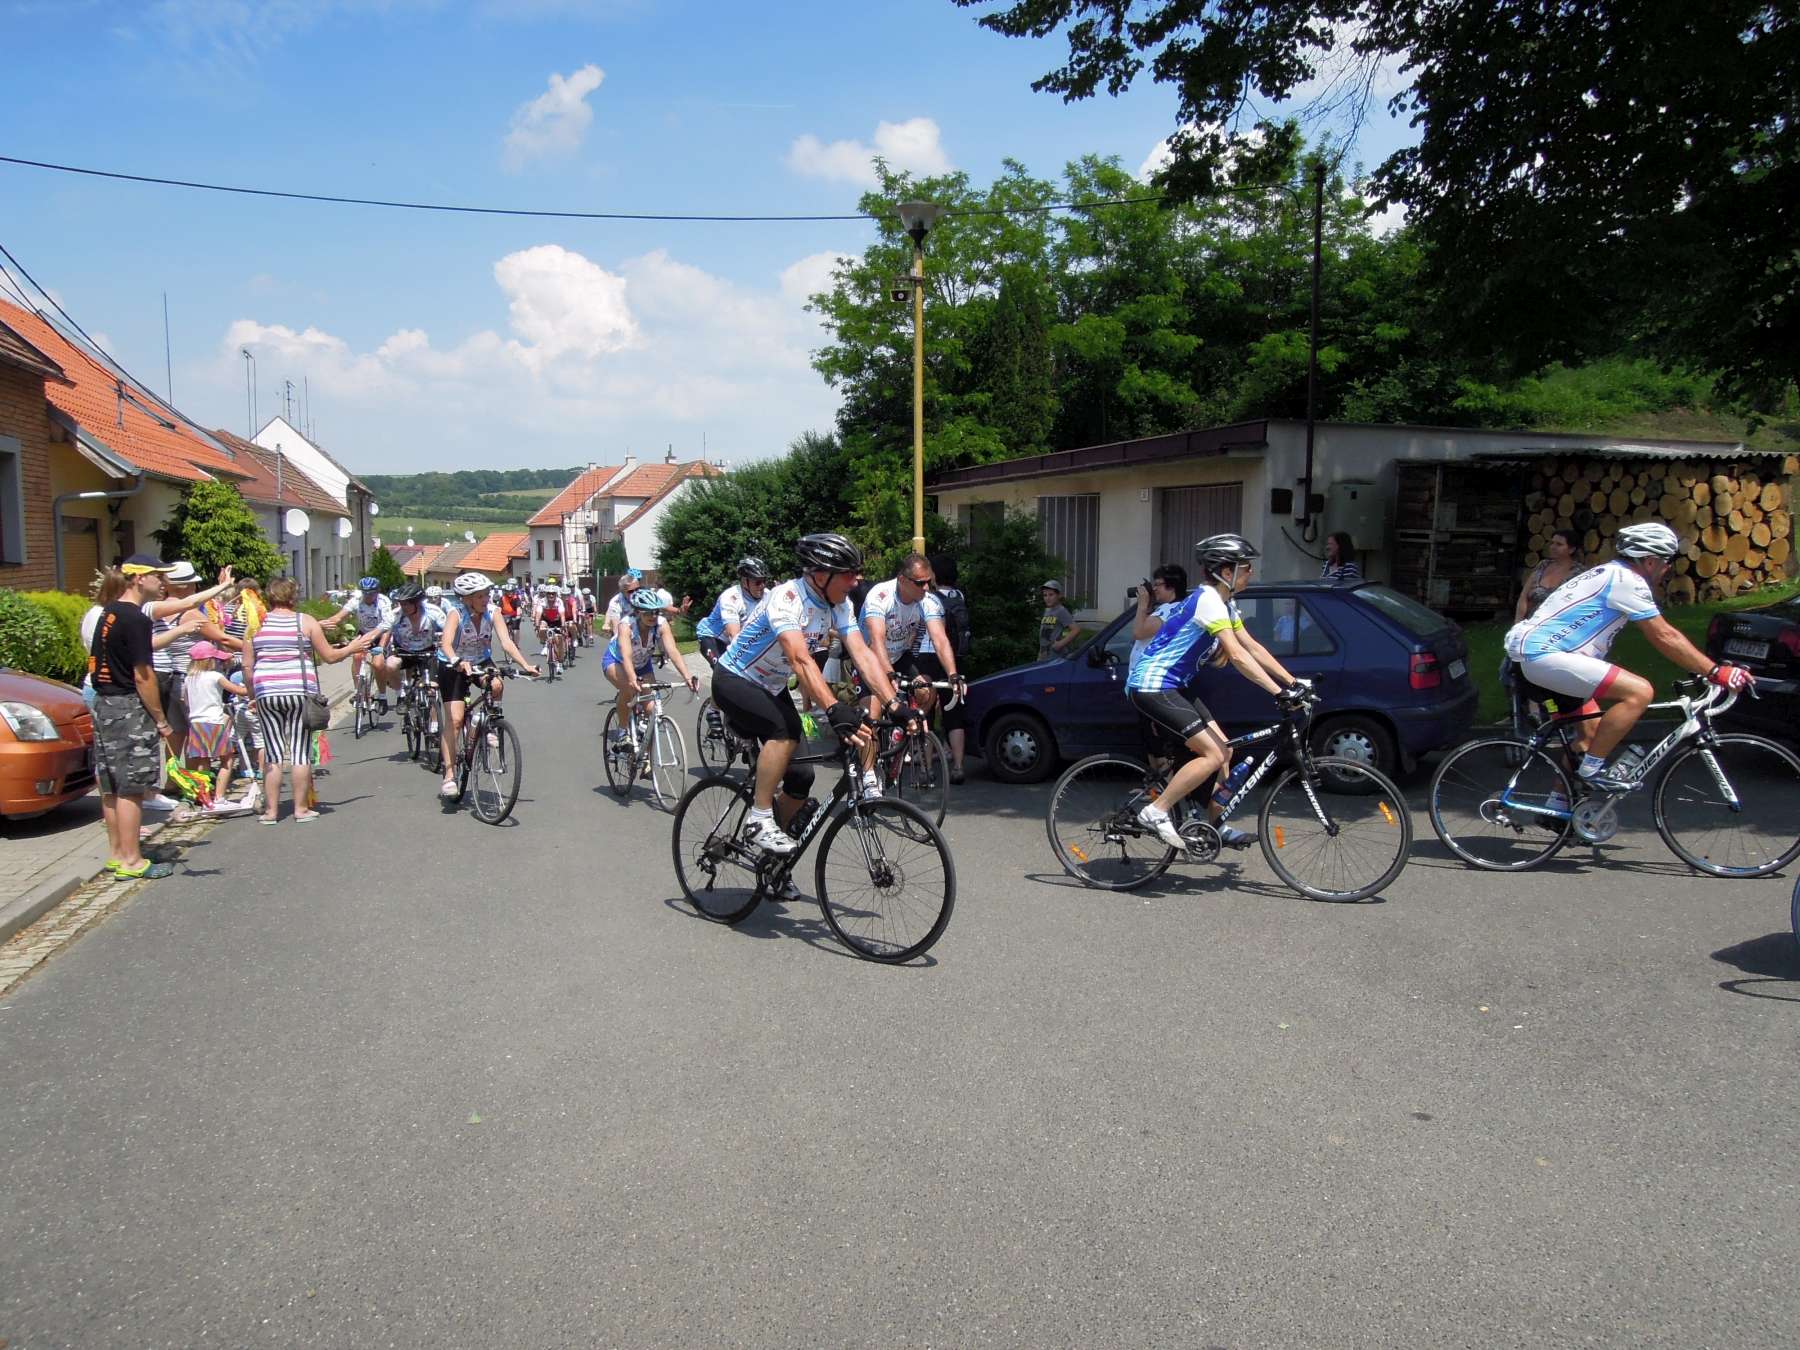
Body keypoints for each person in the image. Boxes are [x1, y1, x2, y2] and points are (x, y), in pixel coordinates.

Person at [1503, 522, 1751, 795]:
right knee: (1639, 692)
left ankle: (1557, 806)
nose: (1667, 570)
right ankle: (1591, 772)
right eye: (1666, 563)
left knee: (1591, 736)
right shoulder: (1626, 581)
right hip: (1543, 657)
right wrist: (1715, 671)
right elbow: (1664, 635)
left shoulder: (1608, 572)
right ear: (1650, 561)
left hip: (1538, 658)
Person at [712, 533, 901, 855]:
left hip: (771, 687)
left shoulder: (839, 604)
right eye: (847, 574)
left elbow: (862, 654)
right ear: (820, 574)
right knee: (783, 730)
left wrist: (894, 704)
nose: (855, 581)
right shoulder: (786, 599)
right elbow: (800, 659)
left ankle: (774, 861)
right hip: (735, 680)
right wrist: (833, 708)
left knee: (801, 776)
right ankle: (759, 819)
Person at [1127, 534, 1309, 851]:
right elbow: (1236, 655)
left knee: (1223, 752)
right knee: (1212, 754)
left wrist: (1292, 683)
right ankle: (1156, 811)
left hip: (1173, 686)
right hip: (1151, 685)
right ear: (1227, 572)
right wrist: (1278, 692)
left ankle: (1212, 824)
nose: (1251, 573)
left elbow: (1252, 647)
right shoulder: (1208, 600)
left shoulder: (1225, 604)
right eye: (1246, 568)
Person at [242, 576, 378, 824]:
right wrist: (353, 647)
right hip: (298, 692)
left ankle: (271, 812)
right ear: (293, 597)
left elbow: (247, 667)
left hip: (266, 693)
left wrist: (253, 695)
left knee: (272, 753)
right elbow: (330, 657)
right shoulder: (304, 622)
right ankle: (301, 809)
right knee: (299, 751)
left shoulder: (256, 625)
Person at [88, 555, 183, 878]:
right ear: (140, 578)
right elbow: (143, 675)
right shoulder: (136, 619)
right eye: (158, 576)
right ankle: (132, 860)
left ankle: (118, 853)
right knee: (132, 786)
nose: (163, 583)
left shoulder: (110, 612)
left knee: (111, 785)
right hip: (128, 707)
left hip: (104, 703)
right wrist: (161, 719)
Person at [856, 553, 964, 798]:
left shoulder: (929, 601)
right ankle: (869, 775)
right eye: (920, 583)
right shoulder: (880, 596)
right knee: (872, 712)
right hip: (870, 656)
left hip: (901, 655)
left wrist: (953, 674)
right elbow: (877, 641)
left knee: (926, 689)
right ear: (902, 580)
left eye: (929, 582)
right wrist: (888, 674)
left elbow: (940, 640)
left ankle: (904, 732)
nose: (926, 588)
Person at [436, 571, 539, 800]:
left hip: (480, 660)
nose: (486, 599)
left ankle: (489, 725)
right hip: (453, 665)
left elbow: (506, 642)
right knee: (455, 720)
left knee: (497, 685)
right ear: (467, 599)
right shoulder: (456, 613)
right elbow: (446, 644)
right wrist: (457, 661)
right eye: (480, 596)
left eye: (487, 594)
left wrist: (526, 665)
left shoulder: (494, 612)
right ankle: (450, 775)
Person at [604, 587, 702, 743]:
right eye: (647, 612)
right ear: (637, 612)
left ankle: (646, 757)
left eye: (656, 612)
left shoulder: (661, 624)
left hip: (642, 664)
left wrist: (687, 677)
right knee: (628, 689)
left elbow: (673, 651)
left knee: (652, 711)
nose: (653, 616)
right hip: (617, 662)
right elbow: (626, 656)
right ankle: (622, 731)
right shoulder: (626, 625)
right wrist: (632, 678)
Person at [912, 553, 973, 783]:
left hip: (927, 656)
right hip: (954, 659)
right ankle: (958, 767)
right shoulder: (959, 596)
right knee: (954, 714)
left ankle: (926, 769)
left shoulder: (927, 597)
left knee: (925, 712)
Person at [181, 642, 251, 812]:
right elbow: (239, 691)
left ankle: (205, 798)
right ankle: (219, 797)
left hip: (196, 723)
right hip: (214, 722)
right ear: (210, 660)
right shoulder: (215, 676)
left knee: (203, 761)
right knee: (227, 760)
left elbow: (186, 701)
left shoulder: (189, 679)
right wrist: (250, 686)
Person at [326, 576, 399, 712]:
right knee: (357, 656)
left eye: (371, 593)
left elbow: (388, 626)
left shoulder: (383, 602)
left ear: (377, 592)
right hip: (364, 633)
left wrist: (381, 647)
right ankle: (358, 692)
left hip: (381, 635)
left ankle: (382, 696)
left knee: (378, 664)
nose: (368, 596)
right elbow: (339, 617)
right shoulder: (357, 600)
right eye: (365, 593)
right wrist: (322, 625)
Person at [694, 557, 770, 666]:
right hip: (712, 637)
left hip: (731, 640)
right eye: (757, 582)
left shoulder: (768, 595)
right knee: (722, 669)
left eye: (764, 581)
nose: (762, 586)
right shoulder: (730, 597)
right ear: (744, 582)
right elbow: (733, 635)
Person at [1129, 564, 1189, 675]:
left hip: (1148, 676)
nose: (1154, 589)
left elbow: (1138, 632)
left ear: (1171, 586)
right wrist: (1149, 607)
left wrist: (1142, 604)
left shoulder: (1169, 610)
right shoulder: (1180, 608)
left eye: (1157, 584)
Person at [1515, 529, 1582, 621]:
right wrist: (1518, 623)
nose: (1553, 547)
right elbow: (1524, 596)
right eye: (1552, 543)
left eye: (1559, 544)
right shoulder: (1543, 565)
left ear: (1571, 549)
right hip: (1530, 623)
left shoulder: (1578, 573)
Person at [1038, 580, 1081, 659]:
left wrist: (1061, 644)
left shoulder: (1061, 611)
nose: (1047, 598)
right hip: (1044, 654)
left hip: (1055, 656)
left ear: (1059, 595)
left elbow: (1076, 629)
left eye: (1051, 594)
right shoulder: (1047, 610)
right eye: (1045, 595)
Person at [604, 568, 645, 636]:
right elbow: (616, 626)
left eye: (637, 589)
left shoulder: (644, 594)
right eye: (631, 591)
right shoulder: (616, 601)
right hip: (623, 626)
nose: (635, 593)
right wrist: (606, 623)